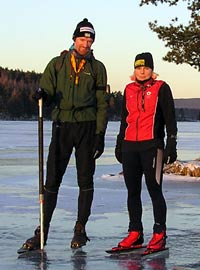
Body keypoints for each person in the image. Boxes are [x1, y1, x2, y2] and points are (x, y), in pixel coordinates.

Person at [19, 18, 108, 251]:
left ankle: (80, 229)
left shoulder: (97, 68)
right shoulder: (57, 64)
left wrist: (100, 134)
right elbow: (46, 92)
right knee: (52, 181)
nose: (85, 44)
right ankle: (42, 231)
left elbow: (102, 104)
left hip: (87, 127)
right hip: (62, 126)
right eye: (82, 39)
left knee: (85, 179)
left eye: (89, 40)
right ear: (74, 39)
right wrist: (41, 95)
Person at [115, 52, 177, 252]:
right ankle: (135, 233)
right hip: (130, 146)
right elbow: (124, 118)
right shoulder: (129, 89)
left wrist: (171, 144)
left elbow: (170, 119)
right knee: (132, 191)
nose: (142, 71)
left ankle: (159, 233)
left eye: (146, 67)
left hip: (152, 146)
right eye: (138, 67)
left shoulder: (161, 88)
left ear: (151, 69)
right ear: (134, 69)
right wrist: (119, 143)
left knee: (154, 189)